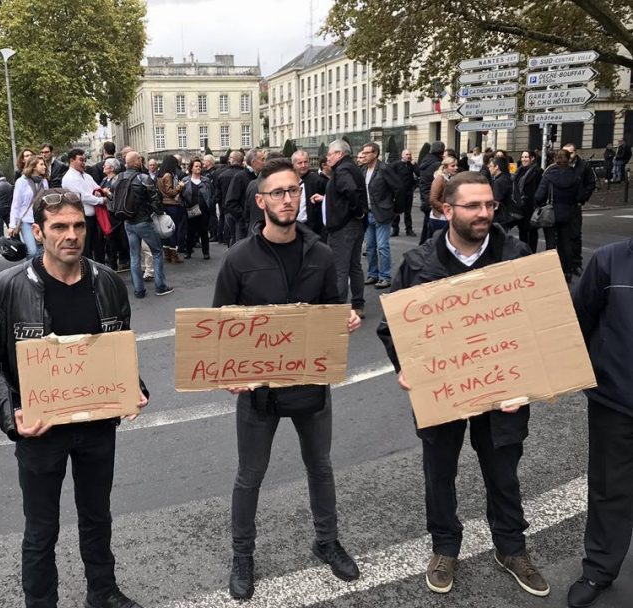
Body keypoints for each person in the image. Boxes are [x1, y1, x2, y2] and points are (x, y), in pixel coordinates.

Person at [377, 171, 549, 598]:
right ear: (446, 210)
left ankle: (511, 548)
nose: (484, 213)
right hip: (443, 391)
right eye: (473, 206)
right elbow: (391, 328)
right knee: (440, 472)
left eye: (489, 205)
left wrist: (526, 380)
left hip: (504, 392)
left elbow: (541, 324)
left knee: (503, 472)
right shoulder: (418, 264)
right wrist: (406, 367)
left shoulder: (516, 255)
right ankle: (444, 547)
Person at [0, 188, 148, 608]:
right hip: (40, 430)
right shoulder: (3, 289)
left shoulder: (107, 281)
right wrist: (10, 413)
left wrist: (134, 387)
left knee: (96, 517)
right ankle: (41, 601)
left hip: (96, 427)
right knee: (40, 530)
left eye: (78, 225)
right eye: (59, 227)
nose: (71, 235)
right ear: (39, 231)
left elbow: (116, 347)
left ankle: (102, 592)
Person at [212, 158, 362, 600]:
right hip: (258, 394)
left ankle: (327, 541)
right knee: (249, 475)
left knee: (320, 467)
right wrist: (228, 373)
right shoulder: (239, 259)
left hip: (312, 386)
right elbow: (220, 324)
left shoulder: (320, 252)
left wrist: (345, 320)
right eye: (277, 192)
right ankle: (243, 555)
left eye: (293, 190)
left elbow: (333, 307)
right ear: (260, 201)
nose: (287, 198)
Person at [568, 237, 633, 608]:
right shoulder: (609, 261)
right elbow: (580, 319)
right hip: (615, 402)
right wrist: (597, 371)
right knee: (609, 488)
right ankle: (599, 568)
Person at [311, 139, 367, 318]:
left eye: (330, 153)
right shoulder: (351, 168)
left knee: (340, 269)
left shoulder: (342, 170)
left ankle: (340, 309)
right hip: (353, 225)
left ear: (339, 154)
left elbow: (350, 191)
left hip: (343, 227)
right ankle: (358, 304)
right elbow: (345, 194)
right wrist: (327, 198)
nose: (327, 157)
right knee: (354, 266)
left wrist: (357, 212)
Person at [117, 151, 173, 298]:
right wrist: (160, 213)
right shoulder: (143, 178)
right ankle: (160, 286)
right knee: (157, 252)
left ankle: (139, 290)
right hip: (143, 220)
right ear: (136, 162)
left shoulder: (118, 178)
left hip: (127, 221)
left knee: (134, 255)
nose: (141, 161)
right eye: (140, 159)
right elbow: (155, 200)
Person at [359, 142, 400, 290]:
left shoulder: (384, 169)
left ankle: (385, 277)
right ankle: (373, 274)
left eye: (367, 152)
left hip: (382, 213)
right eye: (363, 152)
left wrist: (395, 209)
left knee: (382, 247)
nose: (364, 155)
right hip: (368, 213)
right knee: (370, 247)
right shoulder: (363, 170)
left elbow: (399, 188)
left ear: (375, 154)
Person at [535, 149, 580, 283]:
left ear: (555, 159)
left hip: (551, 212)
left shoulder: (549, 175)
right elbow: (579, 195)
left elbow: (539, 195)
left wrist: (539, 204)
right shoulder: (574, 175)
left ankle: (550, 270)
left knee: (550, 242)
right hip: (567, 212)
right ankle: (567, 271)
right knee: (566, 242)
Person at [62, 148, 107, 263]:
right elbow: (82, 196)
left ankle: (99, 271)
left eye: (84, 160)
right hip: (82, 218)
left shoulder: (86, 176)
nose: (83, 163)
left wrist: (99, 193)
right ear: (72, 160)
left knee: (99, 247)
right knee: (86, 249)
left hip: (94, 217)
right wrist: (101, 200)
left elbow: (97, 188)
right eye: (81, 160)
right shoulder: (69, 178)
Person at [562, 143, 595, 277]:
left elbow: (591, 183)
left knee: (575, 235)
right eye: (566, 153)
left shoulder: (583, 166)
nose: (568, 156)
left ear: (575, 152)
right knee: (562, 237)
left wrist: (582, 198)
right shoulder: (560, 164)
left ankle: (576, 264)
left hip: (575, 205)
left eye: (571, 153)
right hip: (562, 205)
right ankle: (565, 265)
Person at [9, 156, 49, 260]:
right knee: (32, 251)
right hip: (27, 221)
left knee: (43, 250)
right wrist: (12, 225)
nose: (45, 166)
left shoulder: (44, 181)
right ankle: (28, 272)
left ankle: (40, 272)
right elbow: (16, 204)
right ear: (33, 167)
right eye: (41, 164)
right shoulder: (21, 182)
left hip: (41, 220)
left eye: (44, 164)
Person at [225, 148, 266, 245]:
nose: (265, 162)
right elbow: (230, 202)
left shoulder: (261, 177)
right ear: (254, 162)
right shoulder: (240, 177)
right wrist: (244, 217)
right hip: (245, 227)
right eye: (262, 159)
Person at [100, 158, 130, 272]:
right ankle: (113, 262)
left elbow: (117, 198)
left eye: (105, 165)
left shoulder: (117, 180)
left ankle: (121, 261)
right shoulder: (104, 179)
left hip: (115, 214)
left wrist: (107, 193)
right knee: (110, 239)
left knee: (117, 238)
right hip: (105, 213)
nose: (103, 167)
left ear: (112, 168)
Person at [156, 155, 187, 262]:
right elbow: (170, 192)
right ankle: (174, 255)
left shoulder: (159, 175)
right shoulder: (168, 175)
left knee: (165, 229)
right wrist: (180, 187)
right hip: (172, 204)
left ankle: (167, 253)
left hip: (163, 204)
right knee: (173, 229)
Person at [181, 157, 212, 259]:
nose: (198, 168)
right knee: (190, 232)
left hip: (203, 209)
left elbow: (210, 194)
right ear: (191, 168)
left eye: (200, 166)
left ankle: (206, 252)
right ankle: (188, 251)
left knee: (204, 232)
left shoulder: (206, 180)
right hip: (190, 209)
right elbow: (182, 195)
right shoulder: (185, 180)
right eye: (196, 166)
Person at [513, 150, 542, 252]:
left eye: (526, 157)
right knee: (522, 231)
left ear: (532, 158)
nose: (524, 159)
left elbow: (540, 189)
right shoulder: (519, 171)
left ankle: (532, 252)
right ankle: (524, 252)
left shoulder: (538, 171)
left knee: (532, 231)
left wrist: (536, 202)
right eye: (522, 157)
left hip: (531, 206)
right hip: (521, 206)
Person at [292, 150, 325, 236]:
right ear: (293, 165)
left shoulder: (318, 180)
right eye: (300, 163)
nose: (303, 165)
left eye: (305, 162)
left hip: (312, 227)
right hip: (293, 225)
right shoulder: (288, 180)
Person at [216, 151, 246, 245]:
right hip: (242, 209)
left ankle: (231, 255)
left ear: (231, 160)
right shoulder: (245, 175)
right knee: (241, 238)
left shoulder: (222, 175)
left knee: (232, 236)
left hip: (227, 209)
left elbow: (218, 195)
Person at [418, 141, 445, 244]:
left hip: (425, 197)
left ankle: (423, 248)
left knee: (427, 229)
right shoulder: (437, 164)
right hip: (431, 199)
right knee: (432, 233)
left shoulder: (426, 161)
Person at [427, 156, 459, 238]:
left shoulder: (450, 179)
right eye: (453, 166)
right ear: (445, 167)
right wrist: (446, 210)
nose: (456, 168)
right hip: (440, 218)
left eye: (456, 165)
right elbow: (433, 200)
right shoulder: (439, 179)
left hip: (447, 217)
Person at [390, 149, 419, 237]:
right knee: (396, 211)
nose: (408, 156)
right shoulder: (396, 164)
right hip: (398, 193)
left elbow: (419, 174)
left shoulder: (411, 165)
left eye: (409, 154)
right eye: (406, 154)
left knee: (408, 212)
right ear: (402, 155)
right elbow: (390, 175)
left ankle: (409, 229)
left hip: (409, 192)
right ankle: (395, 229)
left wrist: (415, 165)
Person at [488, 156, 517, 231]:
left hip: (502, 216)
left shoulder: (499, 181)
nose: (489, 168)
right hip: (510, 212)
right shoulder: (507, 177)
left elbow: (496, 202)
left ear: (496, 167)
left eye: (491, 166)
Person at [0, 169, 14, 246]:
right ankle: (16, 244)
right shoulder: (10, 185)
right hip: (9, 209)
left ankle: (2, 246)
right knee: (11, 227)